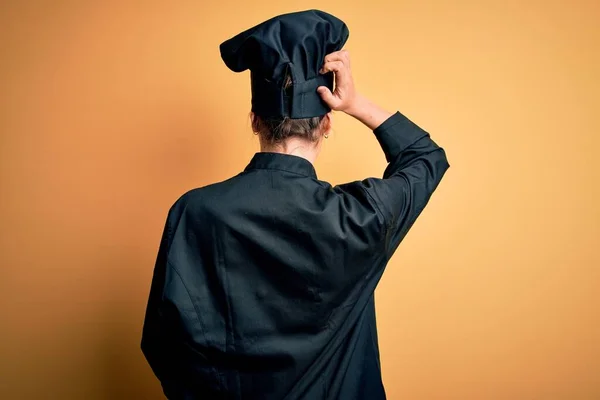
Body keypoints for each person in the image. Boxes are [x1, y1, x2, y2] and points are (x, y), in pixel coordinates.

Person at [141, 9, 450, 400]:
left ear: (254, 119)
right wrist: (354, 102)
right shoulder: (361, 217)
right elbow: (425, 158)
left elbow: (164, 346)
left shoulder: (193, 213)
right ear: (325, 124)